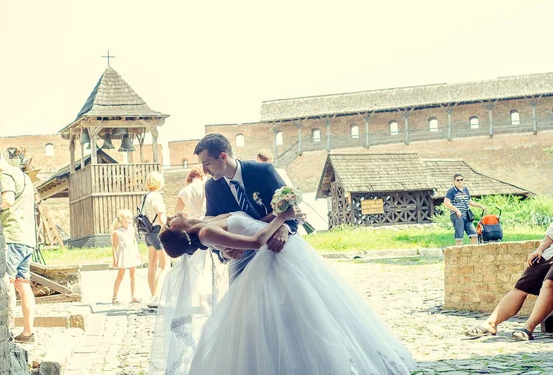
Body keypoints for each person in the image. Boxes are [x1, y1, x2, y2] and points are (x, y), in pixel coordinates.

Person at [149, 210, 416, 375]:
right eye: (169, 223)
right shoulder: (206, 232)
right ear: (179, 231)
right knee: (301, 314)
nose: (171, 216)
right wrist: (282, 217)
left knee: (319, 308)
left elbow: (247, 224)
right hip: (273, 260)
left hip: (286, 251)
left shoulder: (204, 223)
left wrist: (274, 217)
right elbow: (256, 241)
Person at [194, 133, 298, 283]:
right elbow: (211, 223)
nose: (204, 170)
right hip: (242, 261)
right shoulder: (211, 187)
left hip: (276, 248)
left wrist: (286, 227)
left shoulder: (263, 171)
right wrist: (224, 252)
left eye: (207, 163)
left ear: (223, 157)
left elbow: (291, 204)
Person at [465, 223, 553, 341]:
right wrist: (539, 249)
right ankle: (491, 323)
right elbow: (551, 234)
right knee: (522, 286)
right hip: (549, 255)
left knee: (549, 284)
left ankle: (528, 327)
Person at [0, 157, 37, 344]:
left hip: (12, 237)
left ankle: (7, 332)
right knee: (23, 285)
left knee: (8, 284)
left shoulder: (5, 173)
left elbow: (8, 200)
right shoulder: (24, 176)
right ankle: (28, 332)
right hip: (27, 239)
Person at [143, 171, 169, 308]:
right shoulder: (157, 196)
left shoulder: (146, 197)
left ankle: (153, 296)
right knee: (165, 265)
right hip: (157, 231)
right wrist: (169, 227)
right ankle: (157, 297)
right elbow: (161, 217)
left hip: (147, 233)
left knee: (152, 265)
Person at [443, 173, 486, 245]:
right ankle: (459, 253)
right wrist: (456, 210)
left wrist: (480, 206)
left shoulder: (465, 190)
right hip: (457, 215)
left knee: (474, 234)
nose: (460, 181)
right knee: (459, 235)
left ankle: (474, 252)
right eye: (458, 180)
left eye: (461, 180)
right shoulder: (451, 191)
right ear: (454, 182)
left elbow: (469, 201)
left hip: (467, 215)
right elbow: (446, 203)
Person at [111, 210, 142, 304]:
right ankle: (114, 296)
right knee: (120, 276)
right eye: (126, 219)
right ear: (121, 221)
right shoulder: (117, 233)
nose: (129, 221)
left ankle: (134, 296)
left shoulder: (131, 229)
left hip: (131, 253)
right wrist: (115, 259)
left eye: (130, 219)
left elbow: (134, 242)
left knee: (133, 275)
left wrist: (137, 253)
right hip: (123, 255)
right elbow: (114, 247)